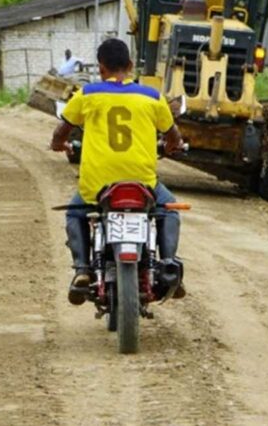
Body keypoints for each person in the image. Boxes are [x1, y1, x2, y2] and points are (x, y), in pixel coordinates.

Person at [49, 38, 185, 305]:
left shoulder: (87, 94)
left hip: (98, 185)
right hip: (142, 184)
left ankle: (82, 269)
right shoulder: (152, 97)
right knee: (169, 210)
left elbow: (61, 131)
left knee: (75, 212)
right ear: (131, 65)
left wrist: (58, 144)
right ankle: (168, 264)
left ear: (101, 68)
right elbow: (173, 135)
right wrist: (172, 146)